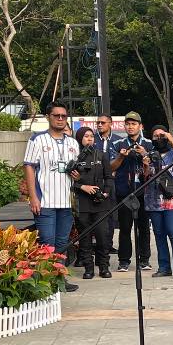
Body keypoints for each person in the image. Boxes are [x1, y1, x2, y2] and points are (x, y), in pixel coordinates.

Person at [23, 101, 81, 292]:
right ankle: (45, 283)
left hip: (66, 201)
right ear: (48, 117)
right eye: (56, 115)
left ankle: (60, 280)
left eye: (63, 116)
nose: (60, 119)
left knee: (62, 243)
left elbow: (78, 171)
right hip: (45, 201)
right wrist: (33, 197)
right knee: (47, 242)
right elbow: (29, 166)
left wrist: (77, 175)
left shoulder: (73, 143)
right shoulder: (37, 139)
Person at [110, 112, 153, 272]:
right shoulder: (118, 143)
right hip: (124, 191)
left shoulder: (148, 144)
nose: (130, 126)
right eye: (128, 124)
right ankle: (124, 260)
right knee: (125, 227)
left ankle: (144, 260)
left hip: (144, 192)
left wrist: (144, 155)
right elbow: (111, 167)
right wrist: (121, 157)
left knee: (143, 227)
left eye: (134, 124)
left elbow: (154, 169)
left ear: (140, 126)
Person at [143, 125, 173, 279]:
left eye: (161, 135)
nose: (159, 138)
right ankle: (164, 267)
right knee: (159, 234)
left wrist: (171, 139)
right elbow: (145, 177)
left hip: (172, 201)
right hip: (153, 201)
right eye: (155, 136)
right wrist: (145, 165)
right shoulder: (149, 154)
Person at [71, 127, 114, 279]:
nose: (89, 139)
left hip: (100, 202)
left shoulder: (101, 155)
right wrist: (82, 186)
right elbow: (69, 183)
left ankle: (104, 267)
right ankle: (88, 268)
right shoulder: (74, 157)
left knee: (103, 236)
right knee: (85, 238)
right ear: (80, 138)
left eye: (91, 136)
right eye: (86, 136)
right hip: (82, 203)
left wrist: (106, 192)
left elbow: (109, 177)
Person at [94, 113, 118, 254]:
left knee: (110, 214)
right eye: (98, 122)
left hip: (112, 182)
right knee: (96, 214)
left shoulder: (117, 140)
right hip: (95, 182)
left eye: (103, 122)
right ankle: (97, 244)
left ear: (110, 124)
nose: (100, 125)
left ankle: (108, 244)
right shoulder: (92, 139)